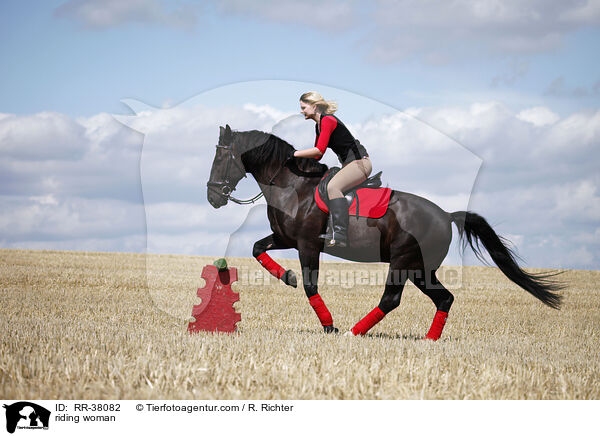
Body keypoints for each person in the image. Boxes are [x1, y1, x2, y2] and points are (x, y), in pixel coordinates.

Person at [294, 91, 372, 247]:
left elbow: (319, 150)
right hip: (349, 165)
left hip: (360, 163)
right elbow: (317, 157)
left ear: (314, 106)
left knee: (333, 187)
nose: (301, 111)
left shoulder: (328, 120)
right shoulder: (319, 125)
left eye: (303, 107)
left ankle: (340, 235)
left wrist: (294, 154)